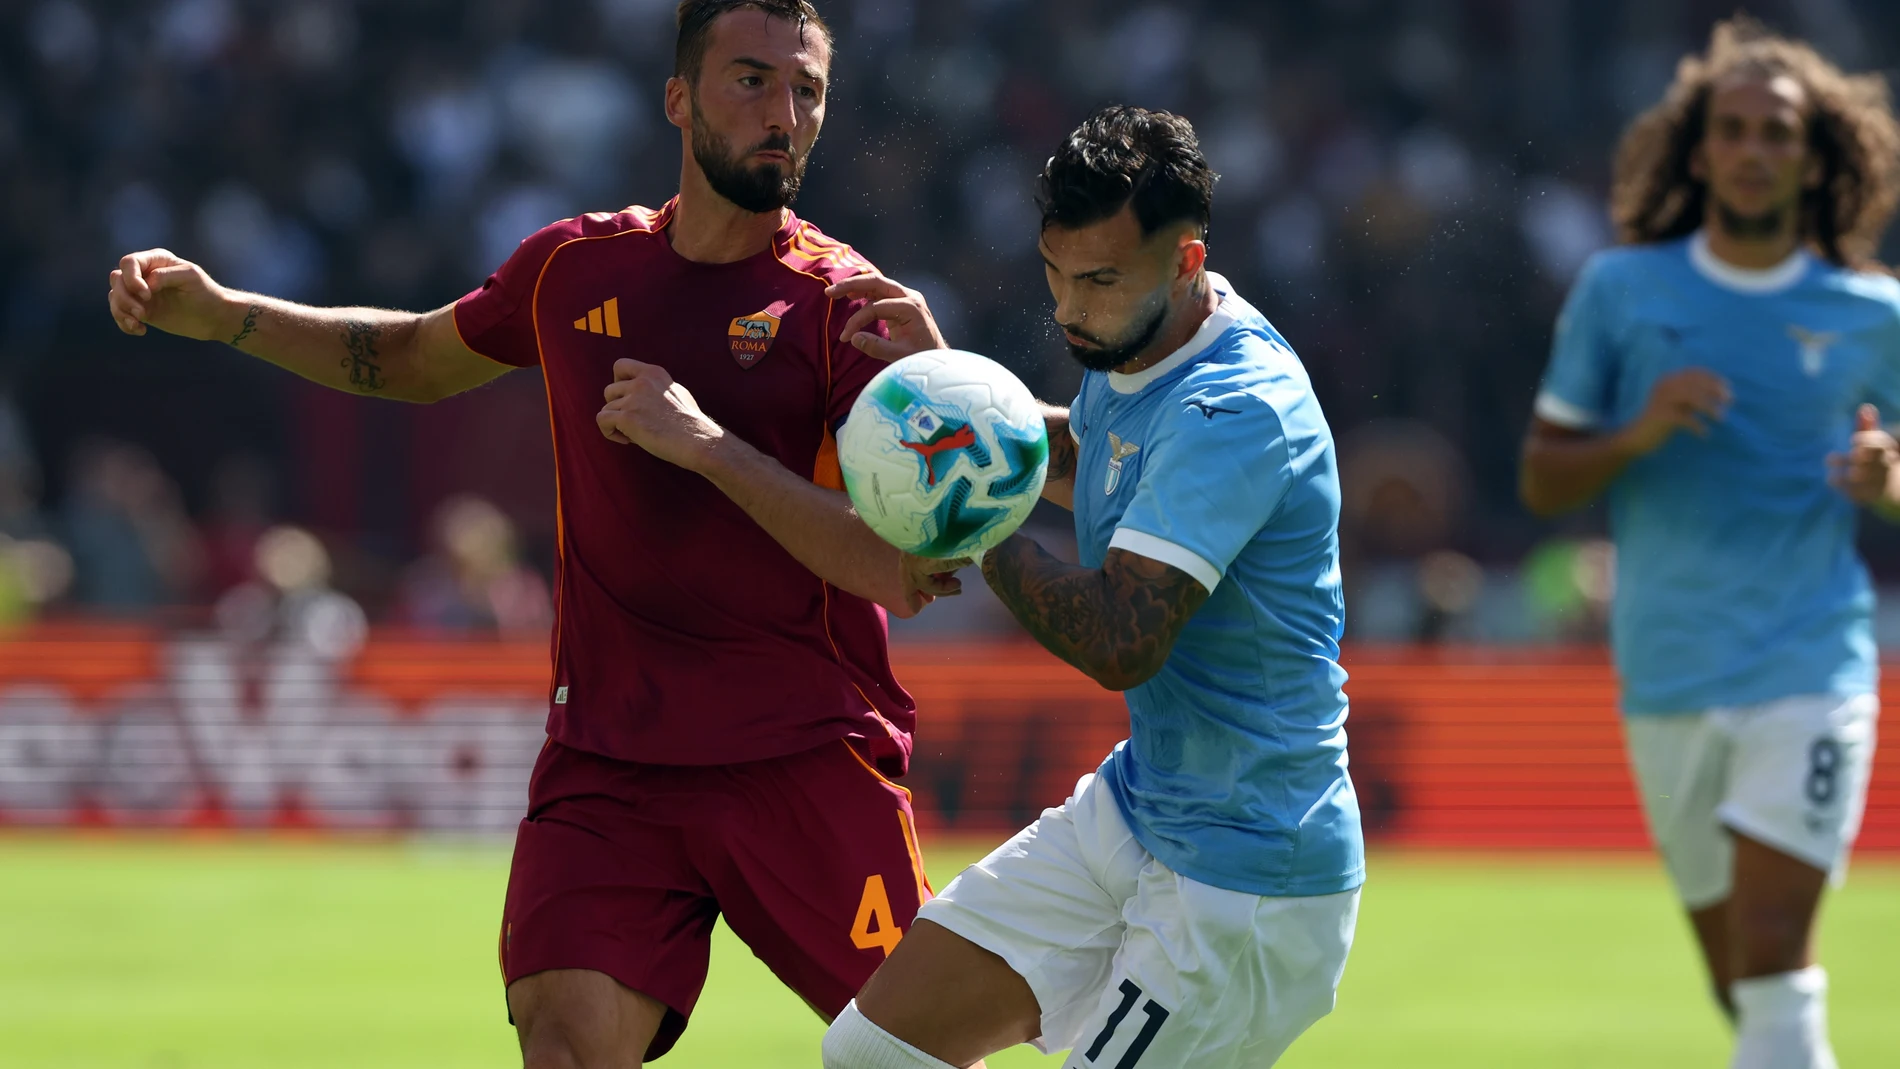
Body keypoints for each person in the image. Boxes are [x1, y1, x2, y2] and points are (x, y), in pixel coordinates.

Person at [106, 2, 963, 1065]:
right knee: (562, 1043)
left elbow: (906, 568)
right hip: (611, 763)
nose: (783, 113)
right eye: (751, 80)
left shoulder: (849, 308)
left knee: (921, 1052)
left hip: (801, 757)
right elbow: (414, 358)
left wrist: (705, 447)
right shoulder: (574, 270)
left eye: (807, 90)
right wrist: (227, 312)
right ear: (678, 99)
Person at [819, 106, 1363, 1068]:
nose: (1069, 308)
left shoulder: (1233, 407)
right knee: (873, 1054)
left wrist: (967, 514)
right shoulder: (1142, 340)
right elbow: (1093, 452)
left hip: (1246, 877)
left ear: (1187, 260)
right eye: (1055, 273)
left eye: (1100, 279)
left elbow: (1121, 635)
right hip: (1140, 809)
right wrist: (954, 391)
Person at [1518, 19, 1900, 1069]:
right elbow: (1542, 476)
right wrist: (1637, 431)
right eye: (1731, 129)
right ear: (1698, 152)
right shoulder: (1620, 291)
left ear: (1813, 156)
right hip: (1667, 675)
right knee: (1742, 982)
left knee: (1777, 949)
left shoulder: (1873, 313)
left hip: (1808, 665)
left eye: (1775, 132)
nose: (1751, 149)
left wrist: (1889, 483)